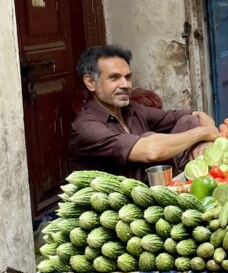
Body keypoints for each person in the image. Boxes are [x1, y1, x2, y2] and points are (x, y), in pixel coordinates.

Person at [70, 45, 220, 180]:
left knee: (190, 121)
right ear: (90, 82)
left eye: (128, 77)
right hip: (120, 204)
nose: (125, 85)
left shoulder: (132, 109)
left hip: (154, 184)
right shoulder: (86, 127)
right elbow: (151, 151)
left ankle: (188, 182)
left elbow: (197, 114)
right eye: (114, 78)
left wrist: (206, 140)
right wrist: (202, 134)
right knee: (150, 139)